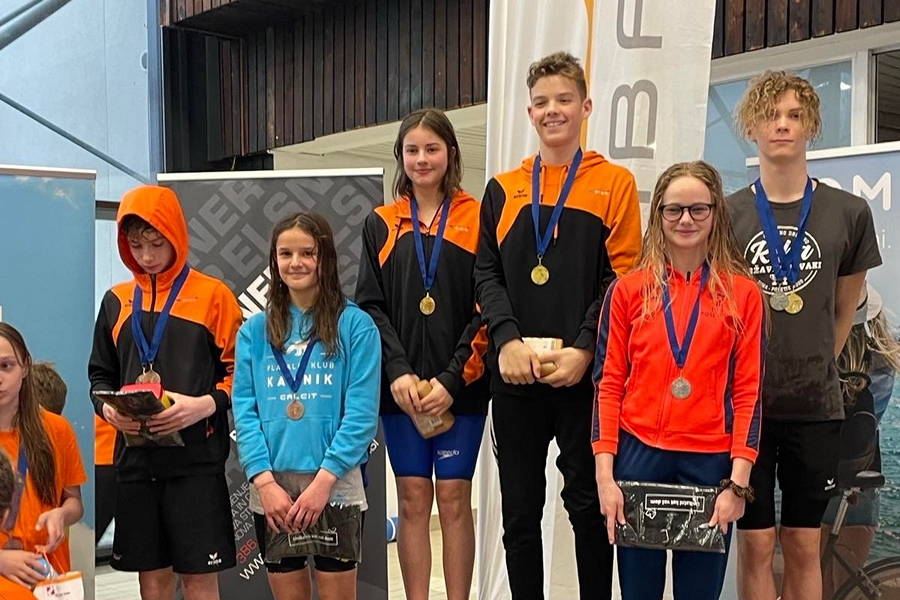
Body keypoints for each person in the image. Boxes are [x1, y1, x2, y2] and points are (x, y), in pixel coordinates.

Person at [474, 51, 642, 599]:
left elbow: (622, 279)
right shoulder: (503, 188)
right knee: (520, 514)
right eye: (542, 102)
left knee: (589, 508)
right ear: (529, 112)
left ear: (585, 107)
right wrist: (506, 340)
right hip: (514, 377)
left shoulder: (614, 183)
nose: (553, 110)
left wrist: (586, 348)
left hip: (582, 380)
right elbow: (486, 272)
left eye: (564, 99)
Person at [727, 70, 882, 600]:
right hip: (745, 406)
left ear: (812, 126)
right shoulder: (728, 214)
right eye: (771, 115)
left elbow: (844, 311)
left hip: (816, 406)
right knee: (753, 544)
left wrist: (815, 367)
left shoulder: (849, 213)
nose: (782, 125)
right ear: (752, 127)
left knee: (802, 542)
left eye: (794, 115)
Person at [593, 161, 764, 599]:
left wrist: (737, 483)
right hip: (638, 455)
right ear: (659, 215)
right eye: (674, 210)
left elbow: (748, 392)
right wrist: (605, 478)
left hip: (710, 464)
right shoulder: (627, 291)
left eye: (698, 209)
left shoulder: (743, 294)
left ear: (715, 214)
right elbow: (608, 385)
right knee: (638, 593)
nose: (686, 219)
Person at [355, 108, 489, 600]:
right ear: (401, 157)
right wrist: (397, 372)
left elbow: (487, 305)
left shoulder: (478, 216)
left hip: (463, 388)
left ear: (450, 153)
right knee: (412, 499)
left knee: (454, 498)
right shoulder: (381, 223)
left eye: (432, 148)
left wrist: (452, 380)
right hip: (402, 392)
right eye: (412, 150)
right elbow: (370, 306)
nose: (422, 159)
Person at [89, 185, 243, 600]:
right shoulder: (116, 301)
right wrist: (108, 410)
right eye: (136, 245)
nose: (147, 256)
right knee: (151, 578)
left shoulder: (214, 296)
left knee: (198, 578)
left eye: (157, 244)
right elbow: (99, 377)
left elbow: (242, 375)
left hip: (195, 462)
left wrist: (205, 405)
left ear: (176, 234)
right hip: (136, 462)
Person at [233, 212, 380, 600]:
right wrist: (265, 483)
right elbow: (244, 412)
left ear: (325, 257)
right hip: (273, 488)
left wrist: (324, 482)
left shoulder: (356, 326)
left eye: (307, 252)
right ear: (274, 260)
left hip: (336, 482)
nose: (295, 262)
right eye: (285, 253)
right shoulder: (253, 331)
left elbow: (362, 414)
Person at [820, 284, 900, 597]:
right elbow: (874, 418)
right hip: (862, 478)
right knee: (846, 586)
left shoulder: (820, 357)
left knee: (813, 577)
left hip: (819, 474)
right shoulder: (882, 363)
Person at [0, 323, 85, 595]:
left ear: (25, 367)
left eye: (6, 366)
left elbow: (74, 502)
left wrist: (61, 515)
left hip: (47, 574)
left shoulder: (57, 429)